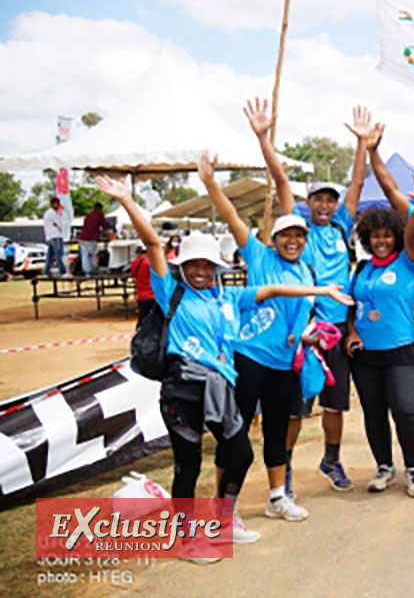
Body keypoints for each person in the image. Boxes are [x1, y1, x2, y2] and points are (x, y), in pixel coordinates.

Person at [95, 174, 351, 560]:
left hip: (220, 389)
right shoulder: (173, 292)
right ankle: (187, 539)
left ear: (217, 266)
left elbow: (273, 291)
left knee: (241, 453)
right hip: (182, 389)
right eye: (193, 264)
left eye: (207, 264)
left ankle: (223, 519)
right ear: (182, 267)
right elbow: (151, 243)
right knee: (188, 466)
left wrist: (322, 291)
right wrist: (129, 202)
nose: (200, 270)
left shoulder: (228, 296)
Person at [250, 98, 370, 493]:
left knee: (335, 405)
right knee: (295, 410)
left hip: (336, 329)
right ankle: (281, 472)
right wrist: (263, 138)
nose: (324, 205)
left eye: (329, 200)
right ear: (308, 204)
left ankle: (331, 460)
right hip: (304, 330)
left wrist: (361, 144)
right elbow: (282, 181)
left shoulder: (340, 227)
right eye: (317, 199)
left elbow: (355, 183)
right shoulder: (296, 228)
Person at [199, 150, 321, 521]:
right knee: (235, 434)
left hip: (284, 364)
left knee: (277, 432)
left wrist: (307, 335)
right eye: (286, 236)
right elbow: (233, 217)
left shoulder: (307, 273)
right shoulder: (258, 256)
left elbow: (304, 316)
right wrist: (209, 183)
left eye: (298, 236)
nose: (292, 241)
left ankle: (276, 497)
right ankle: (224, 505)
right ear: (275, 238)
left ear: (305, 240)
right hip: (249, 358)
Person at [344, 163, 414, 497]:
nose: (381, 240)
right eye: (375, 235)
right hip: (365, 354)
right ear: (368, 238)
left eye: (386, 234)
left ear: (394, 237)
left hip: (400, 350)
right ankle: (384, 468)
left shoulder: (407, 261)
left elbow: (412, 232)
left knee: (405, 410)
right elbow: (351, 306)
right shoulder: (361, 269)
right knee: (374, 413)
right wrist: (351, 332)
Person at [78, 202, 108, 276]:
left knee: (84, 255)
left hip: (82, 237)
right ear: (100, 209)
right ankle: (91, 270)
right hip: (91, 238)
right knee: (91, 255)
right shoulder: (99, 215)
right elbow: (105, 225)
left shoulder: (88, 216)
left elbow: (87, 226)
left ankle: (87, 272)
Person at [130, 245, 156, 321]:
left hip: (140, 294)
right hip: (152, 293)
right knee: (153, 317)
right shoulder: (151, 262)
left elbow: (134, 275)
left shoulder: (135, 262)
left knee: (142, 316)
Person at [43, 196, 66, 275]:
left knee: (50, 254)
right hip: (55, 235)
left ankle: (46, 270)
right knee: (58, 253)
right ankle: (62, 270)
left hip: (50, 236)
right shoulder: (52, 213)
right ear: (53, 204)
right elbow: (59, 224)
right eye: (57, 204)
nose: (59, 206)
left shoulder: (47, 213)